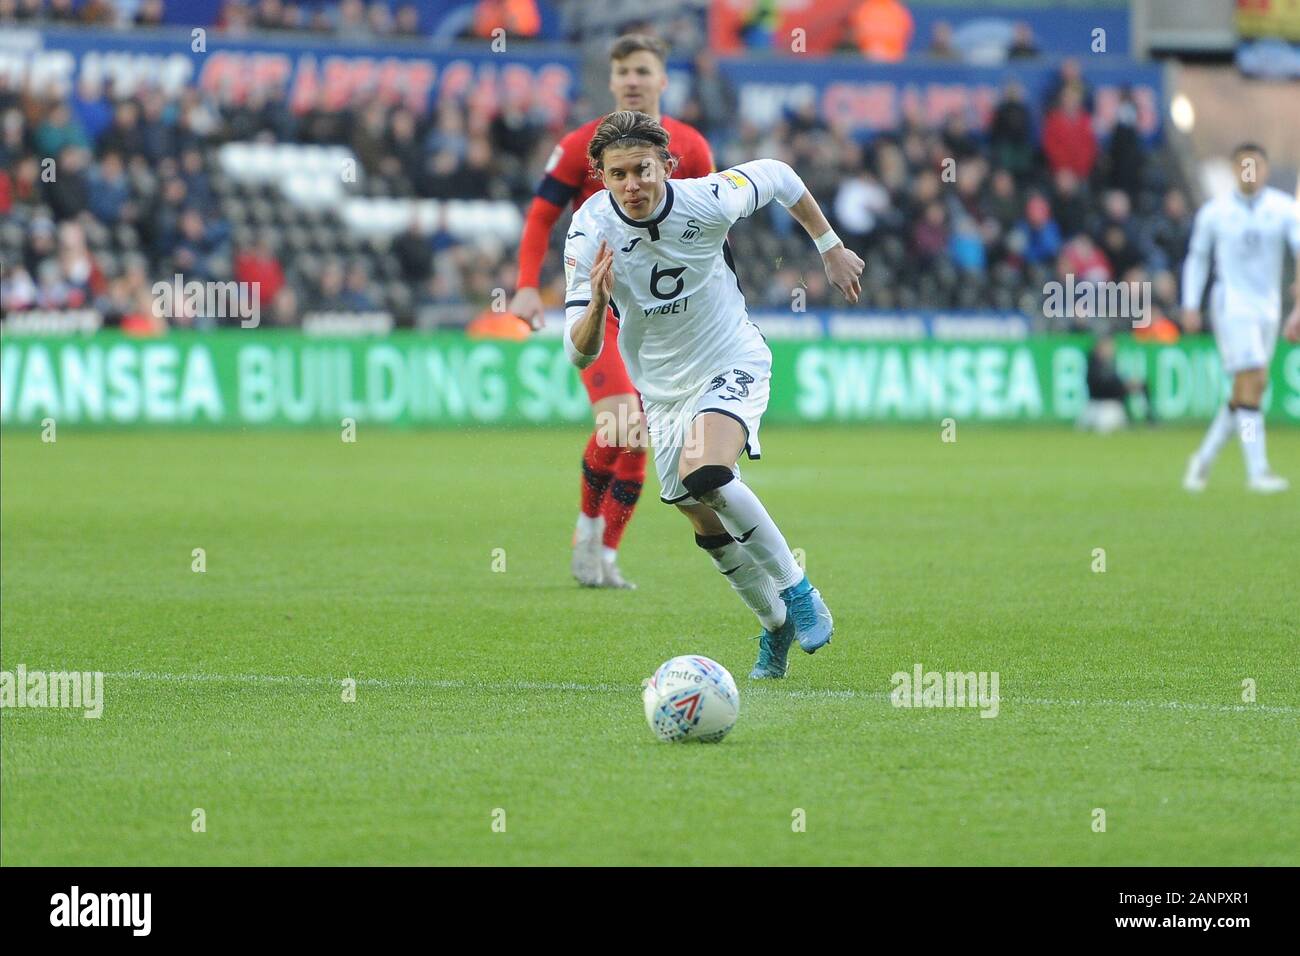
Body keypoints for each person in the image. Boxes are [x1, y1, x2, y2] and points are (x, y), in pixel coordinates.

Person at [562, 111, 864, 679]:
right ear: (600, 176)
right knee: (700, 515)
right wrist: (600, 305)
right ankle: (774, 626)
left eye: (643, 170)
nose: (632, 185)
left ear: (667, 166)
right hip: (663, 393)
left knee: (707, 473)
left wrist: (828, 245)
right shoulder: (588, 233)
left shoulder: (710, 198)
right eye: (618, 174)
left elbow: (778, 174)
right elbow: (577, 352)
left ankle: (799, 592)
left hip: (730, 358)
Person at [509, 35, 715, 589]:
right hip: (606, 306)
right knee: (621, 422)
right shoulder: (582, 144)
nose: (631, 80)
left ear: (663, 79)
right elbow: (539, 216)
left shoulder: (692, 148)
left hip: (664, 314)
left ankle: (606, 552)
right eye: (622, 71)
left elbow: (711, 230)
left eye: (642, 70)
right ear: (612, 80)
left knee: (639, 436)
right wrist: (527, 285)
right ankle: (586, 529)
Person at [1182, 143, 1300, 494]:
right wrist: (1190, 304)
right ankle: (1257, 470)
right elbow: (1197, 259)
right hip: (1232, 305)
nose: (1250, 172)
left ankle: (1203, 459)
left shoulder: (1283, 209)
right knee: (1254, 378)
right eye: (1244, 166)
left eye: (1257, 166)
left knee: (1247, 391)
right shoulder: (1214, 213)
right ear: (1235, 170)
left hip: (1267, 307)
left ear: (1265, 169)